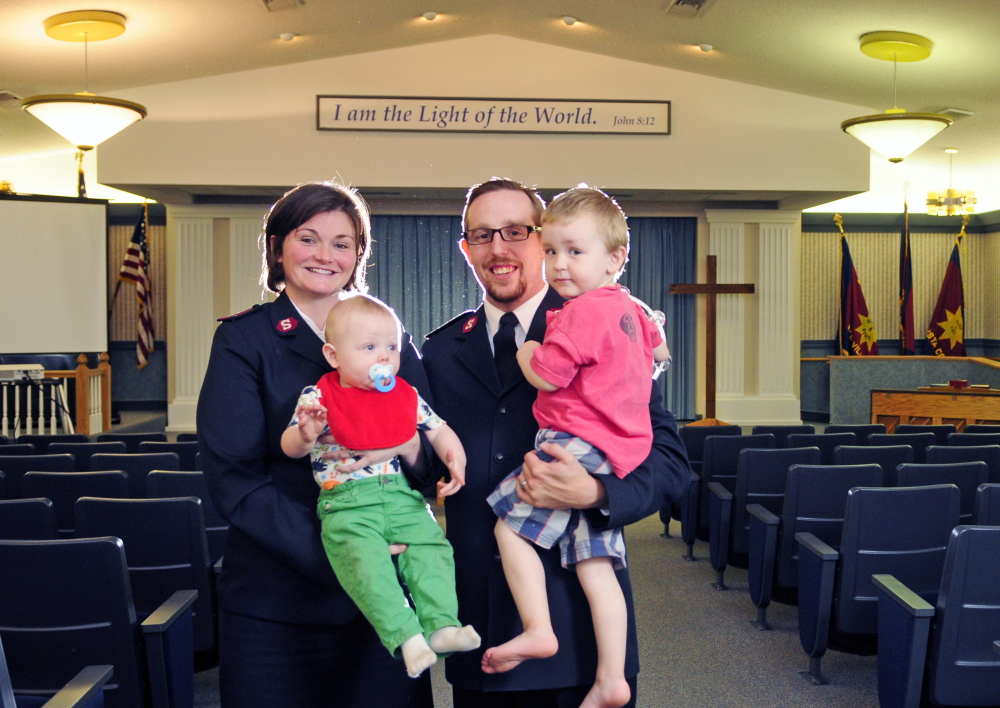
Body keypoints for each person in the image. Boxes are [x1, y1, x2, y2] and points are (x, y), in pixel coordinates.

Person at [421, 178, 690, 708]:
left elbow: (670, 461)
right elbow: (421, 463)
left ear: (540, 239)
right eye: (481, 234)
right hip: (483, 633)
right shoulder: (439, 349)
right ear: (465, 248)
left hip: (578, 635)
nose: (498, 248)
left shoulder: (604, 323)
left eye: (516, 232)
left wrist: (596, 493)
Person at [197, 181, 437, 708]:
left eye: (343, 242)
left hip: (381, 607)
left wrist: (409, 448)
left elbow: (430, 451)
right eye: (309, 238)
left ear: (357, 256)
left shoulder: (387, 335)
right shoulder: (244, 340)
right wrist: (347, 554)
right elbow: (235, 480)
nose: (325, 255)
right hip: (276, 604)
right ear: (278, 248)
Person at [482, 187, 671, 708]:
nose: (559, 264)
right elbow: (659, 347)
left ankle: (540, 628)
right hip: (615, 446)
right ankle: (611, 679)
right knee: (596, 566)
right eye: (553, 251)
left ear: (614, 258)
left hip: (578, 450)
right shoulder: (628, 309)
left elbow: (547, 374)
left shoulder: (581, 314)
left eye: (520, 234)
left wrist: (529, 350)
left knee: (507, 524)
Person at [281, 291, 480, 678]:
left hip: (403, 498)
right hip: (346, 503)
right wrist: (306, 434)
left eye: (391, 346)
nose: (385, 357)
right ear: (334, 356)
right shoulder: (320, 396)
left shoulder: (404, 394)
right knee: (366, 567)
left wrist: (456, 459)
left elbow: (437, 429)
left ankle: (441, 626)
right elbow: (290, 447)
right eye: (369, 347)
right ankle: (406, 636)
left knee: (433, 548)